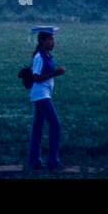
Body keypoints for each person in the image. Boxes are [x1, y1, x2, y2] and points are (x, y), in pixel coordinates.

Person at [28, 26, 65, 170]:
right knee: (55, 125)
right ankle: (52, 161)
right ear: (42, 41)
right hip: (40, 95)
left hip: (43, 94)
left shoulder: (47, 55)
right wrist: (55, 73)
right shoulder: (39, 57)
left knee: (38, 128)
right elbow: (36, 77)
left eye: (53, 39)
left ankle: (34, 161)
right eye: (50, 39)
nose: (52, 42)